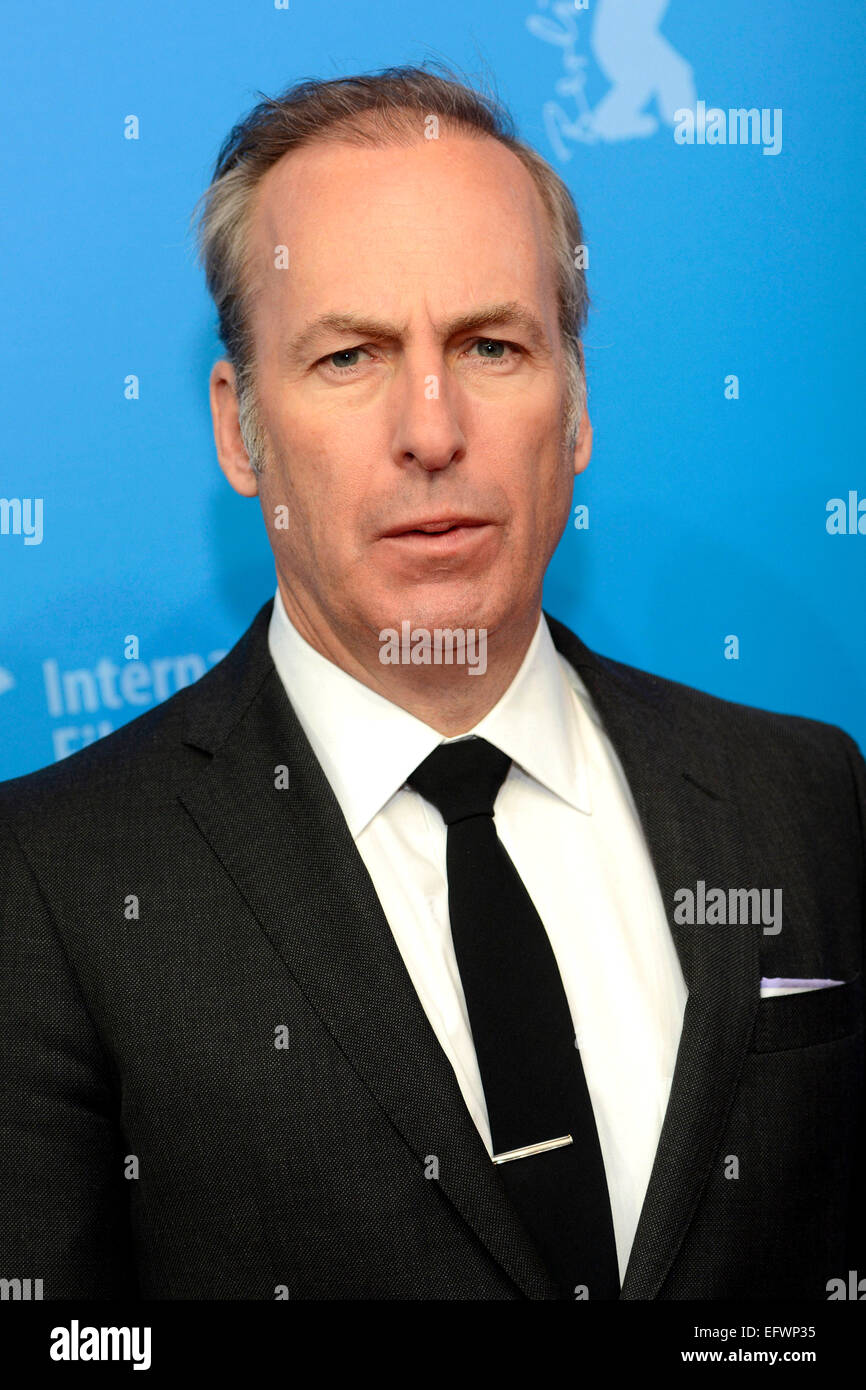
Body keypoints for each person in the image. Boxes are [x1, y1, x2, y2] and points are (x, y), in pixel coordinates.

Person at [0, 66, 862, 1302]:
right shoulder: (51, 882)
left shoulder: (803, 794)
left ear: (574, 408)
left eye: (491, 345)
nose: (431, 427)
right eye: (350, 355)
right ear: (240, 432)